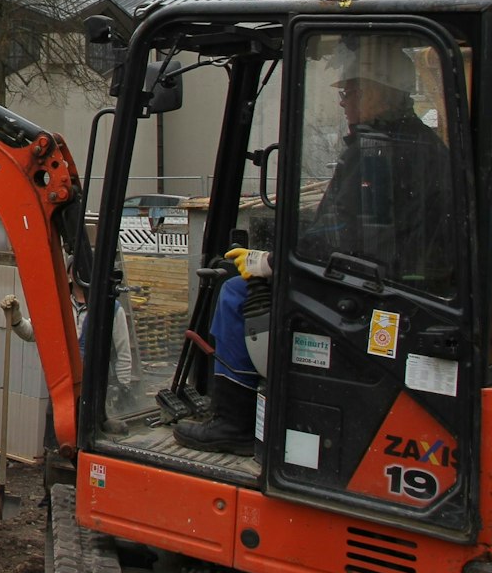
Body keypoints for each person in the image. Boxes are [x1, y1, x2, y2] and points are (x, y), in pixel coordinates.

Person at [175, 37, 452, 455]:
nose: (344, 101)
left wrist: (272, 260)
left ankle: (233, 420)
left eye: (351, 90)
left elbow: (349, 234)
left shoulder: (379, 152)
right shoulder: (417, 144)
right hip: (401, 280)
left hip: (372, 290)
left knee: (234, 293)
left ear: (381, 91)